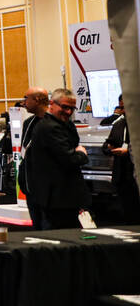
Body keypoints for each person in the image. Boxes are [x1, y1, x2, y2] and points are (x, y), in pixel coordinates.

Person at [19, 87, 89, 230]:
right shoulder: (40, 125)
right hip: (45, 193)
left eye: (72, 108)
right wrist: (81, 153)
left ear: (36, 100)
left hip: (56, 193)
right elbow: (70, 156)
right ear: (52, 104)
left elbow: (68, 155)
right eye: (65, 107)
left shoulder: (61, 124)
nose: (68, 112)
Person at [102, 102, 139, 222]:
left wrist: (128, 151)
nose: (123, 110)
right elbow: (106, 145)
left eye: (126, 107)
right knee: (128, 213)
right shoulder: (119, 124)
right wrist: (109, 148)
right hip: (122, 177)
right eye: (121, 107)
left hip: (136, 175)